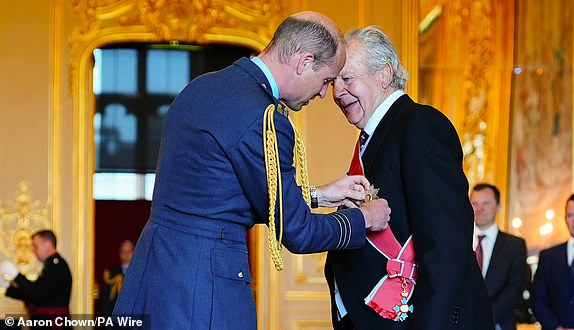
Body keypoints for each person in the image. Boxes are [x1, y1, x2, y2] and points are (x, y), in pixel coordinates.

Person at [113, 11, 392, 329]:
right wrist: (365, 218)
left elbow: (218, 194)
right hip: (204, 289)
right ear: (303, 62)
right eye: (326, 80)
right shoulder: (265, 119)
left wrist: (316, 195)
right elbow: (298, 233)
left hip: (154, 274)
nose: (323, 93)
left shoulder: (202, 88)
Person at [324, 25, 494, 329]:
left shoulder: (419, 124)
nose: (337, 92)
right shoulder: (377, 135)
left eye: (347, 79)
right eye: (334, 81)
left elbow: (445, 244)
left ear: (385, 74)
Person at [470, 183, 528, 330]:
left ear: (498, 206)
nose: (479, 209)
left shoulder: (515, 246)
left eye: (486, 203)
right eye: (475, 203)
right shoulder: (459, 242)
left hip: (499, 324)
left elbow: (515, 287)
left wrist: (485, 318)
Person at [0, 230, 72, 326]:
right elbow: (35, 293)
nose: (33, 249)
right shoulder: (51, 265)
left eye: (35, 245)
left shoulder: (56, 266)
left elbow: (36, 293)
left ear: (47, 244)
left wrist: (16, 275)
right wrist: (8, 287)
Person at [531, 194, 574, 329]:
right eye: (570, 215)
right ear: (565, 218)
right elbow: (538, 300)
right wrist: (557, 328)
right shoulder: (548, 256)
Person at [101, 240, 134, 316]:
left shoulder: (139, 274)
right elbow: (106, 300)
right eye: (123, 251)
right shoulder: (111, 274)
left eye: (129, 251)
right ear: (120, 253)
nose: (126, 254)